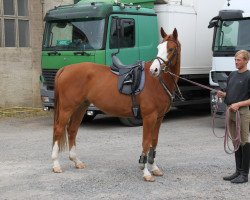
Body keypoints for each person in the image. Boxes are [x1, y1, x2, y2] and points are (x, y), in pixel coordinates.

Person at [217, 50, 250, 184]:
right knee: (235, 141)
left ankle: (244, 174)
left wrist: (239, 104)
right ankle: (238, 171)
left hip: (242, 112)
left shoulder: (249, 76)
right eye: (235, 60)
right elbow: (230, 93)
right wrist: (223, 94)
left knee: (243, 141)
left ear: (246, 60)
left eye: (239, 60)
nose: (236, 62)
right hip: (231, 111)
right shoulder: (232, 75)